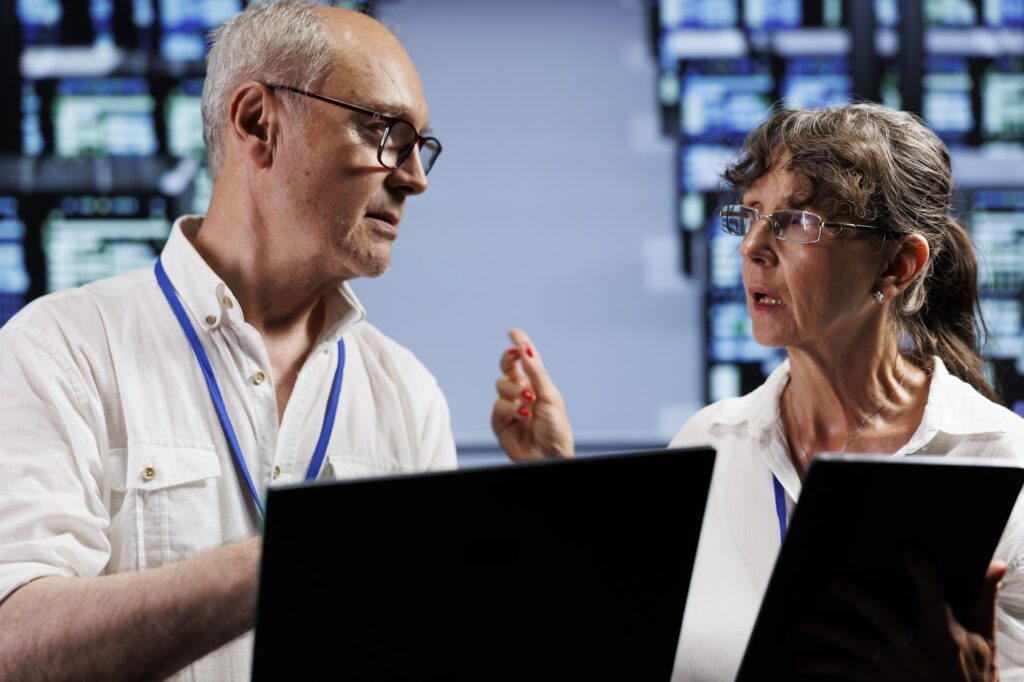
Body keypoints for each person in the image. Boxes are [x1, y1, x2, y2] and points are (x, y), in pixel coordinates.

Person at [0, 2, 454, 679]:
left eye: (422, 147)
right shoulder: (61, 349)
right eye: (382, 131)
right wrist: (289, 560)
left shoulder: (407, 394)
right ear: (257, 122)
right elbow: (15, 643)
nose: (414, 177)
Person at [493, 103, 1024, 680]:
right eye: (750, 216)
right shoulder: (709, 441)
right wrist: (554, 475)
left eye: (797, 221)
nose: (751, 249)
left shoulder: (1000, 460)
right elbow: (621, 642)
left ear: (897, 265)